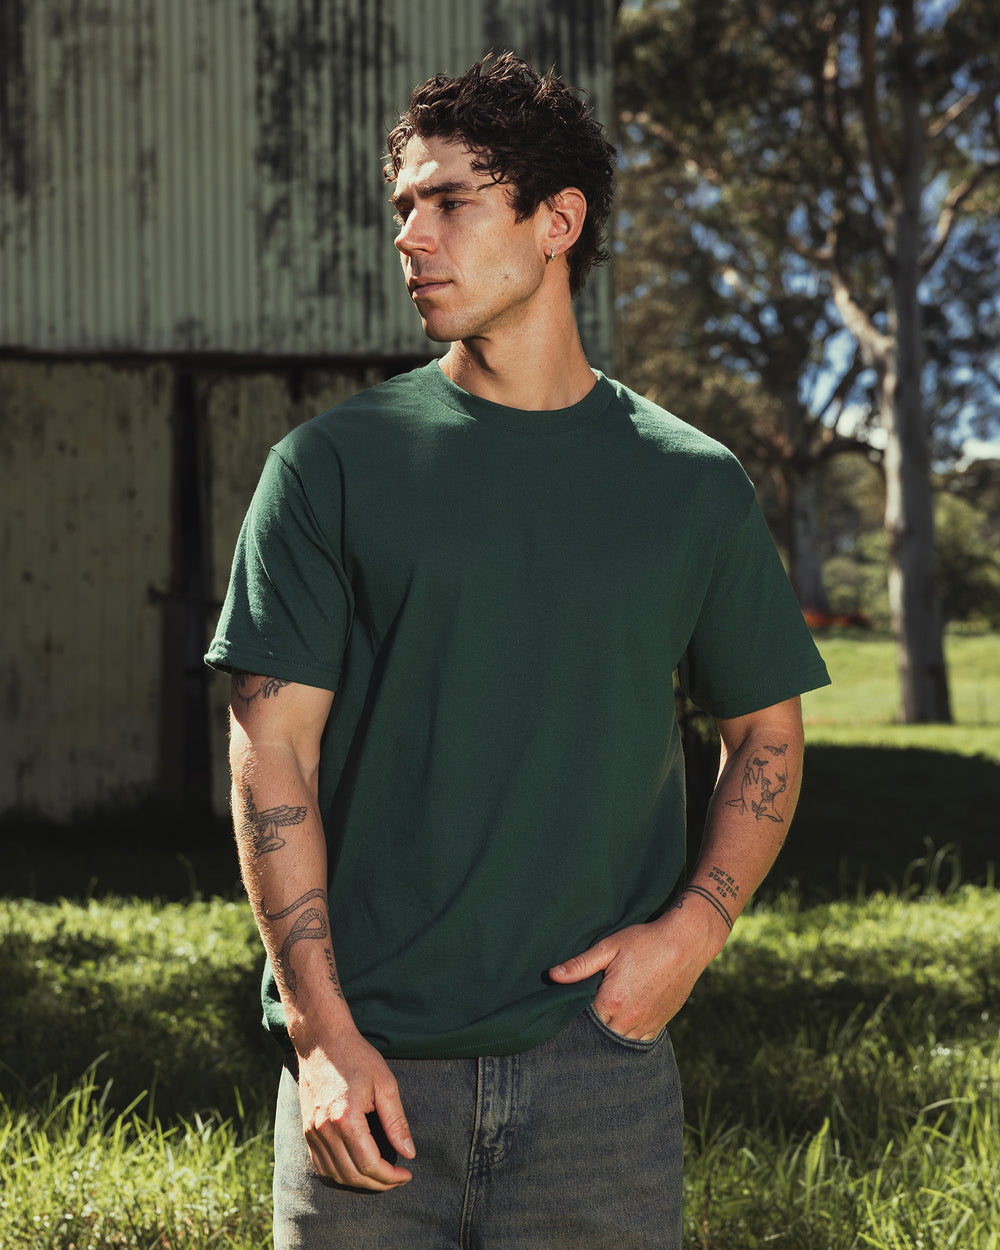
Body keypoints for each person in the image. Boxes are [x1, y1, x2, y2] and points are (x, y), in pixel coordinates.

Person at [206, 51, 830, 1249]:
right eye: (402, 207)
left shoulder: (688, 484)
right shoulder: (333, 467)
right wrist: (320, 1034)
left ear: (558, 221)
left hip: (598, 1070)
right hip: (370, 1077)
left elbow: (764, 728)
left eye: (450, 201)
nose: (411, 237)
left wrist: (688, 934)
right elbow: (269, 753)